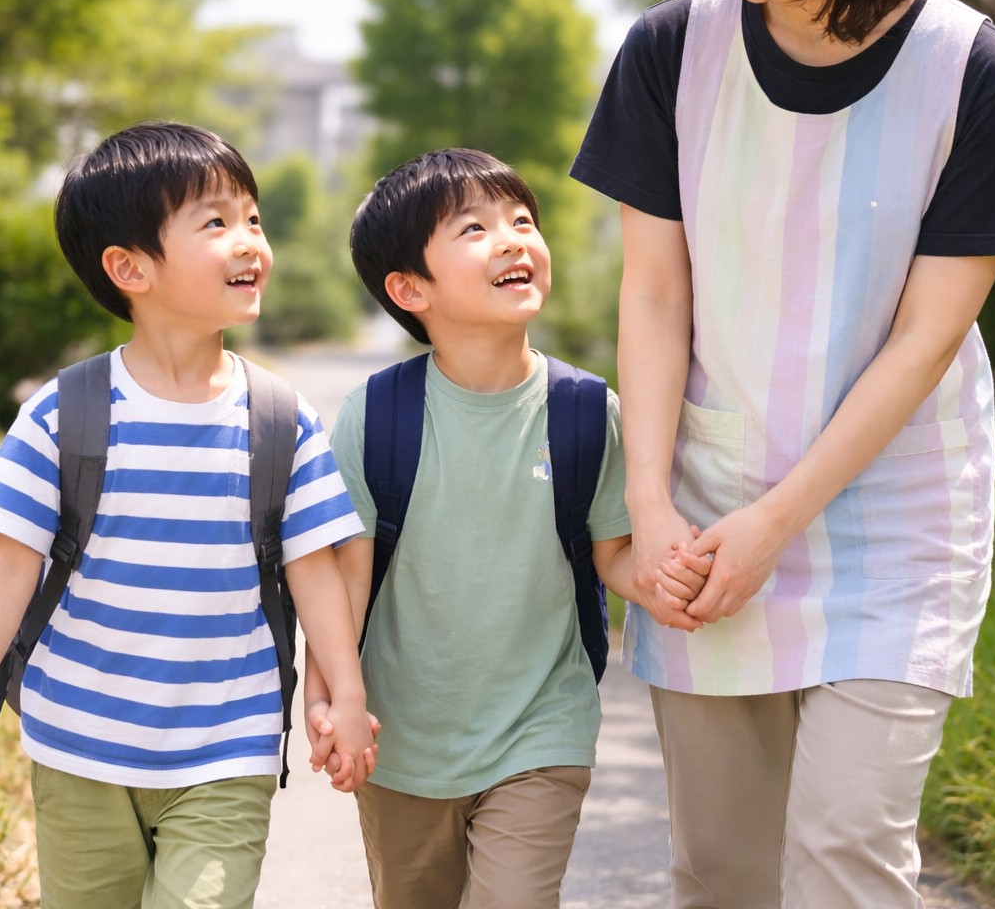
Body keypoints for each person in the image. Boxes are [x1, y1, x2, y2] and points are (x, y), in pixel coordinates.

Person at [571, 0, 995, 906]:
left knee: (843, 850)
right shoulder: (669, 49)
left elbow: (926, 334)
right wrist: (647, 504)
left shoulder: (975, 70)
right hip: (705, 506)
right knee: (725, 872)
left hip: (900, 515)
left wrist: (778, 521)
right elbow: (655, 288)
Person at [302, 147, 711, 909]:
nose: (514, 238)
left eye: (522, 220)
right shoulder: (377, 414)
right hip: (404, 740)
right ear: (408, 288)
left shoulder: (586, 411)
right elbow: (343, 579)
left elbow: (612, 553)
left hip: (540, 726)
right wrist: (334, 699)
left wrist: (661, 581)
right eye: (475, 229)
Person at [0, 121, 378, 909]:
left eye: (253, 219)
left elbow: (314, 570)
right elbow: (9, 570)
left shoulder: (278, 417)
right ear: (130, 267)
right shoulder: (63, 415)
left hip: (226, 747)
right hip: (79, 743)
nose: (250, 241)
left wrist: (347, 693)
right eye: (216, 222)